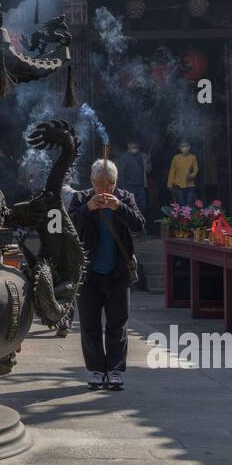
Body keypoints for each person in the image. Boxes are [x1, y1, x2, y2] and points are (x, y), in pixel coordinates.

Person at [67, 158, 144, 392]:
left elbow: (139, 225)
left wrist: (118, 207)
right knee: (90, 324)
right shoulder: (81, 199)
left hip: (118, 271)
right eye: (99, 184)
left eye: (109, 184)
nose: (104, 189)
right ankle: (96, 369)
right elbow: (68, 227)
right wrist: (88, 208)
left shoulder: (125, 198)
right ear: (91, 182)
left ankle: (116, 370)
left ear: (115, 182)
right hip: (88, 272)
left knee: (117, 323)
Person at [118, 140, 150, 228]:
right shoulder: (124, 157)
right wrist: (124, 189)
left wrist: (147, 163)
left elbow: (147, 170)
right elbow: (121, 174)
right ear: (129, 145)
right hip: (129, 187)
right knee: (130, 209)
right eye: (133, 145)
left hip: (140, 186)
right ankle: (131, 228)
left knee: (142, 207)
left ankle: (140, 227)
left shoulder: (141, 156)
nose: (135, 148)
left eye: (137, 146)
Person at [166, 140, 199, 208]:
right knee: (181, 206)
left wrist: (192, 175)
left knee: (190, 205)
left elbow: (196, 169)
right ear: (180, 148)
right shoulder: (176, 158)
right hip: (179, 185)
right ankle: (182, 219)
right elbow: (172, 171)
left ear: (189, 147)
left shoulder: (193, 157)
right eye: (183, 146)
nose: (185, 148)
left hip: (190, 185)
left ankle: (189, 218)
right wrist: (169, 184)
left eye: (186, 146)